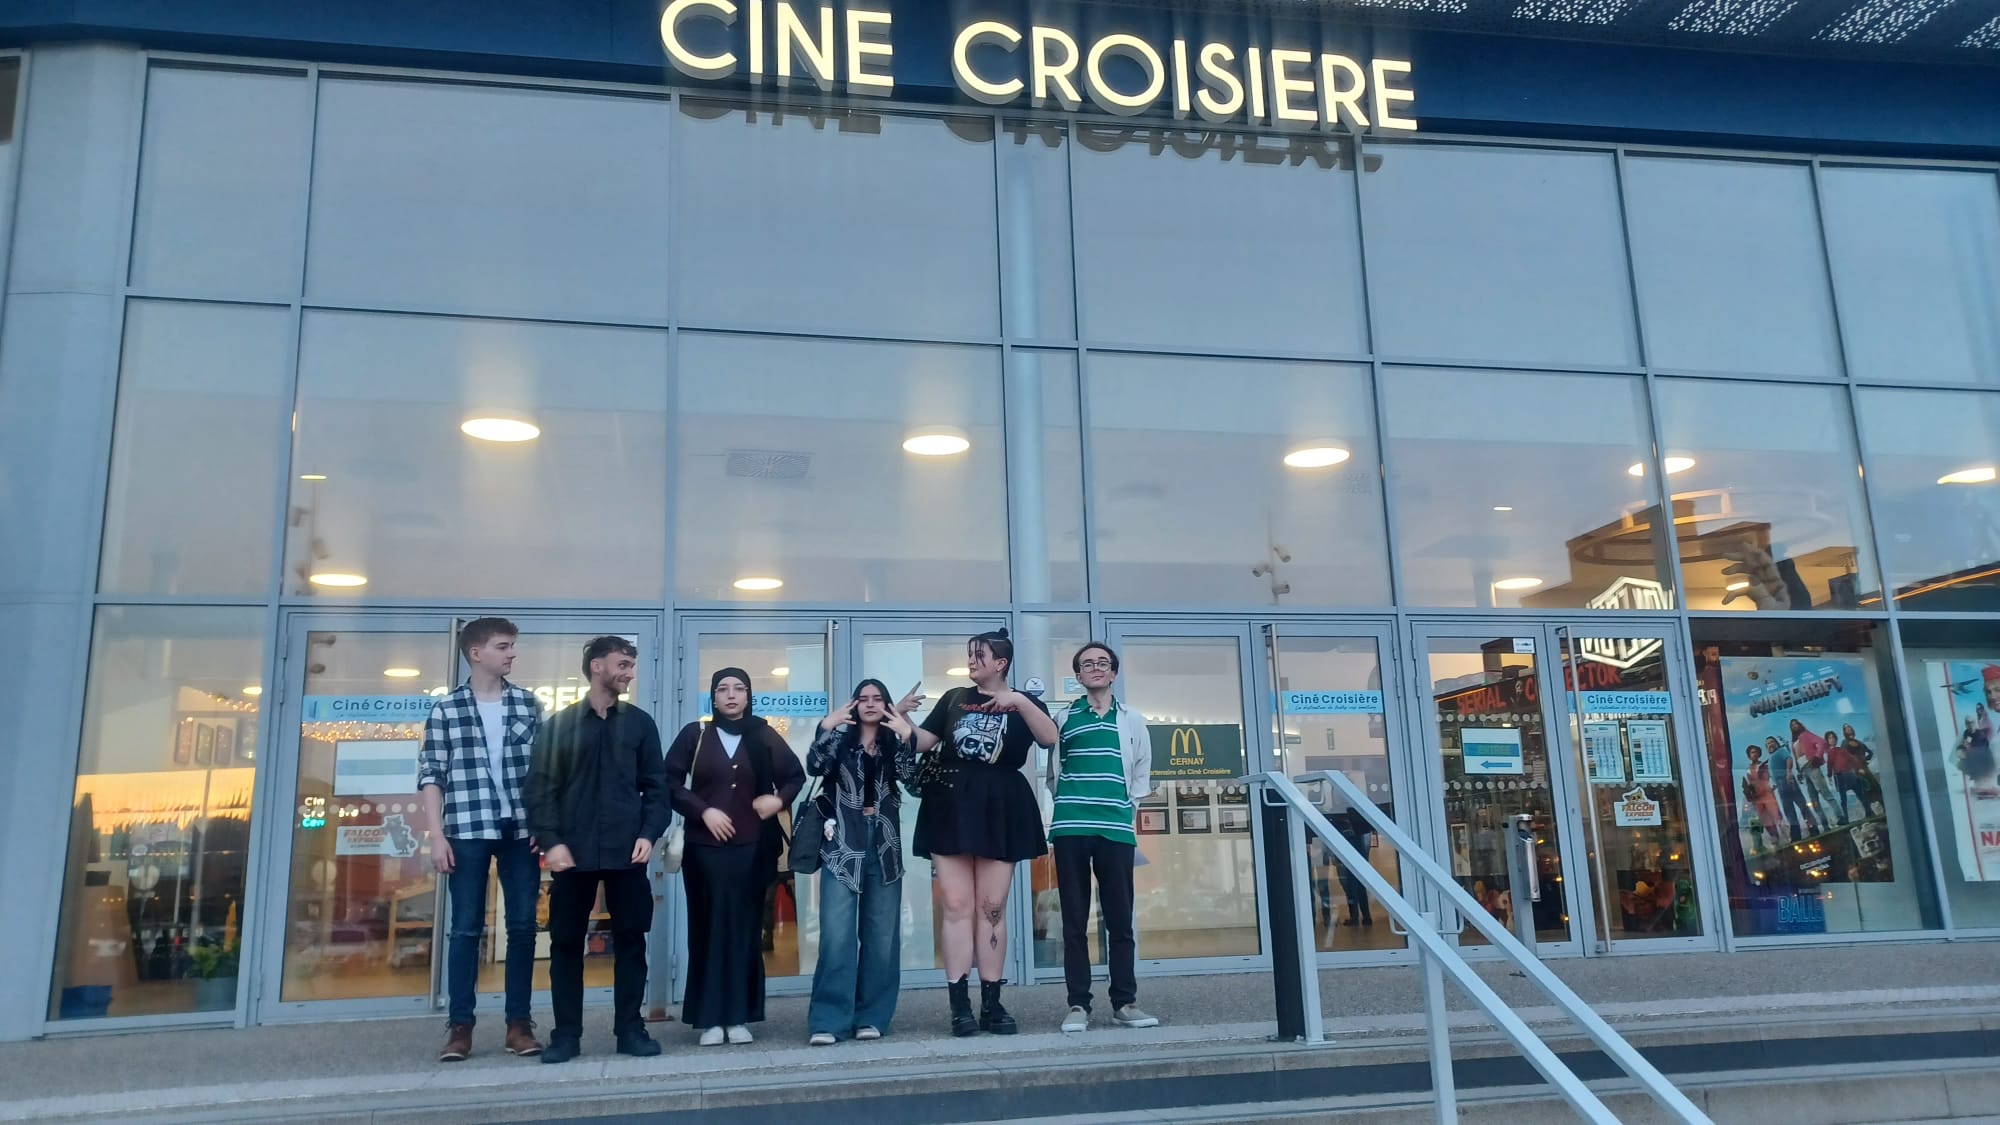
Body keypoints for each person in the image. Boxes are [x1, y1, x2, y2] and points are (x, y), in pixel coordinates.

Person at [901, 628, 1058, 1037]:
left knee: (992, 907)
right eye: (970, 654)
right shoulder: (954, 698)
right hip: (950, 802)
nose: (971, 661)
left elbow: (1049, 738)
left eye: (979, 655)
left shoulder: (1025, 702)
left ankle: (992, 1002)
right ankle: (959, 1006)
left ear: (1001, 663)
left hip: (1001, 803)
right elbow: (923, 742)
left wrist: (1019, 701)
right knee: (956, 905)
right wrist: (900, 718)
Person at [523, 636, 670, 1064]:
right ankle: (565, 1036)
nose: (629, 673)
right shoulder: (560, 725)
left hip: (628, 852)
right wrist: (551, 841)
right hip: (573, 853)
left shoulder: (640, 724)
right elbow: (539, 789)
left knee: (631, 943)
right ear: (596, 667)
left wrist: (649, 833)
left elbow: (657, 788)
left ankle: (631, 1030)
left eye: (631, 666)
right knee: (566, 945)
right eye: (622, 665)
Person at [417, 617, 544, 1063]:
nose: (512, 653)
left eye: (512, 646)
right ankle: (460, 1028)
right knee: (466, 929)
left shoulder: (528, 704)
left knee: (523, 927)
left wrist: (545, 825)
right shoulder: (446, 710)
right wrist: (436, 836)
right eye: (503, 646)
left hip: (521, 831)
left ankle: (518, 1024)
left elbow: (545, 771)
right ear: (476, 653)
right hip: (466, 829)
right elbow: (431, 775)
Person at [665, 668, 803, 1046]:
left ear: (748, 695)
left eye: (739, 689)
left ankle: (739, 1016)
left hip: (751, 848)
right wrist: (702, 810)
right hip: (704, 850)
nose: (730, 695)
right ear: (713, 696)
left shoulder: (763, 734)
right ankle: (710, 1019)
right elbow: (669, 781)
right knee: (707, 930)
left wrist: (777, 800)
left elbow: (794, 776)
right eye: (723, 689)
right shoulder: (695, 735)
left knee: (744, 931)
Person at [1048, 642, 1158, 1035]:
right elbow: (1053, 772)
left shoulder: (1132, 719)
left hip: (1115, 828)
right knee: (1074, 921)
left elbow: (1142, 767)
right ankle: (1078, 1004)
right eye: (1087, 664)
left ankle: (1124, 1003)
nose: (1095, 668)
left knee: (1120, 920)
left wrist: (1128, 808)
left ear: (1113, 673)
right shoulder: (1063, 718)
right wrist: (1066, 804)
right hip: (1071, 827)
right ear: (1078, 675)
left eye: (1103, 663)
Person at [805, 680, 919, 1045]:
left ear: (886, 705)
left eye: (877, 699)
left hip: (884, 846)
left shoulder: (892, 743)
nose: (870, 704)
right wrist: (826, 727)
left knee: (881, 937)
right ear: (854, 705)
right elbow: (815, 766)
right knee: (836, 936)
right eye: (863, 699)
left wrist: (907, 736)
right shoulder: (840, 742)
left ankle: (872, 1017)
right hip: (842, 845)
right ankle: (829, 1021)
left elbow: (914, 783)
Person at [1765, 735, 1819, 841]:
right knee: (1788, 811)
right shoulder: (1771, 758)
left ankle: (1813, 829)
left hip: (1789, 782)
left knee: (1802, 806)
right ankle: (1796, 835)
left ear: (1776, 743)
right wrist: (1774, 785)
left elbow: (1789, 759)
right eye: (1768, 744)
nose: (1770, 744)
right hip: (1780, 787)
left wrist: (1789, 772)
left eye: (1772, 742)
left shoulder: (1781, 751)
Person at [1790, 719, 1841, 826]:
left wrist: (1817, 757)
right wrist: (1799, 771)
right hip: (1804, 770)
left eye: (1796, 724)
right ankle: (1824, 824)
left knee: (1825, 793)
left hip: (1811, 766)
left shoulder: (1806, 734)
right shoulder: (1793, 742)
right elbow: (1796, 758)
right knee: (1814, 800)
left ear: (1800, 725)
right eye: (1792, 725)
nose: (1794, 726)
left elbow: (1821, 742)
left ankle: (1840, 817)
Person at [1335, 810, 1376, 928]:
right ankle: (1364, 916)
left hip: (1350, 842)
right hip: (1357, 841)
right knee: (1356, 883)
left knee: (1349, 883)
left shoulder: (1344, 813)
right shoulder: (1357, 815)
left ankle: (1357, 916)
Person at [1740, 743, 1782, 850]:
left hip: (1767, 794)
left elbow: (1772, 777)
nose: (1754, 754)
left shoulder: (1765, 765)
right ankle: (1772, 838)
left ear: (1759, 754)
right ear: (1749, 756)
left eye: (1755, 752)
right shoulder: (1748, 770)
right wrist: (1749, 794)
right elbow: (1747, 784)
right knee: (1763, 818)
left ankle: (1784, 834)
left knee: (1775, 814)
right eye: (1752, 753)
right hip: (1757, 797)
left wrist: (1772, 786)